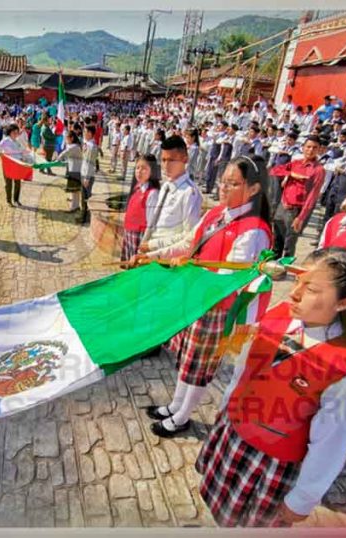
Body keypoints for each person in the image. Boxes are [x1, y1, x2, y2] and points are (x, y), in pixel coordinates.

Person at [197, 247, 346, 527]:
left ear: (343, 303)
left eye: (312, 289)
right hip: (232, 435)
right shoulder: (278, 315)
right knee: (219, 505)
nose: (294, 293)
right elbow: (243, 371)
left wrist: (303, 498)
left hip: (271, 463)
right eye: (297, 281)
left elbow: (331, 444)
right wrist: (225, 411)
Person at [137, 156, 273, 436]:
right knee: (187, 359)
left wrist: (184, 273)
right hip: (195, 301)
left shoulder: (254, 231)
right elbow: (189, 244)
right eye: (223, 181)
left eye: (233, 183)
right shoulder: (216, 214)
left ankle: (183, 416)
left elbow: (228, 280)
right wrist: (152, 256)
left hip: (216, 308)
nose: (223, 188)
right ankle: (175, 405)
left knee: (199, 365)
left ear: (254, 189)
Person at [136, 135, 203, 256]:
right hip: (150, 252)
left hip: (167, 257)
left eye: (171, 160)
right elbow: (154, 222)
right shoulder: (166, 186)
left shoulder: (189, 193)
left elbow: (189, 237)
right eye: (163, 160)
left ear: (185, 159)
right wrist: (144, 245)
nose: (166, 165)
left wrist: (154, 245)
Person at [270, 137, 326, 259]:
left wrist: (300, 218)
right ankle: (272, 265)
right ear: (303, 148)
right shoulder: (295, 163)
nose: (310, 150)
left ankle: (284, 267)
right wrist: (290, 174)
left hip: (296, 209)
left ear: (319, 150)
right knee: (277, 237)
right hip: (283, 205)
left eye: (314, 148)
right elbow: (274, 171)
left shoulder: (318, 170)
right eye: (308, 147)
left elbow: (312, 196)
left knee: (289, 242)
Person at [121, 154, 161, 261]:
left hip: (140, 238)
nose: (139, 171)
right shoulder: (137, 188)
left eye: (144, 168)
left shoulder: (152, 194)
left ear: (152, 171)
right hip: (130, 233)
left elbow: (152, 224)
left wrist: (144, 247)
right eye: (137, 167)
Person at [0, 124, 34, 207]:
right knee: (8, 183)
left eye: (17, 132)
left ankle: (16, 200)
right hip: (8, 163)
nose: (15, 134)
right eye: (14, 132)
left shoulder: (18, 141)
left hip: (18, 163)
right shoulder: (5, 140)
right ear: (10, 132)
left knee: (17, 182)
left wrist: (29, 155)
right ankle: (9, 200)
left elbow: (23, 150)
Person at [80, 125, 103, 224]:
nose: (83, 133)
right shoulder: (87, 144)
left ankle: (86, 217)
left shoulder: (92, 146)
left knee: (86, 197)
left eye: (85, 131)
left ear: (90, 133)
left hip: (87, 175)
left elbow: (90, 163)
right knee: (83, 196)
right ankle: (84, 216)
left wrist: (87, 178)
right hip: (83, 172)